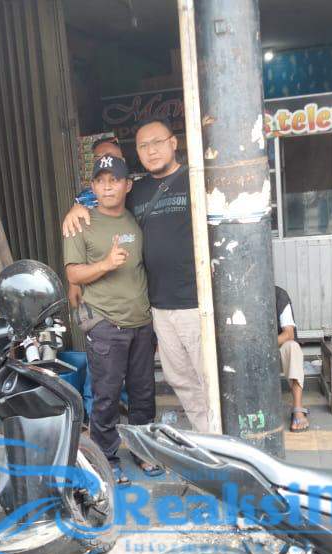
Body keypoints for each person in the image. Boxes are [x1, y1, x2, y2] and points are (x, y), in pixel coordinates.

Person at [63, 120, 211, 433]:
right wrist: (75, 208)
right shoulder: (138, 190)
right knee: (179, 378)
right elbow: (105, 197)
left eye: (157, 142)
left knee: (208, 378)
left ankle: (224, 441)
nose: (151, 150)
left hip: (196, 302)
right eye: (143, 146)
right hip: (157, 306)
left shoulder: (196, 179)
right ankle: (208, 436)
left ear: (173, 143)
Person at [64, 154, 161, 484]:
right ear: (92, 187)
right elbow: (74, 274)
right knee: (106, 397)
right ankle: (106, 458)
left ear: (127, 185)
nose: (107, 187)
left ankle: (143, 451)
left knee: (143, 394)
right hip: (106, 325)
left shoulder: (135, 218)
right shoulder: (80, 223)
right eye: (101, 181)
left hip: (141, 324)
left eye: (114, 180)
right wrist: (106, 263)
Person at [69, 137, 125, 309]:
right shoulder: (84, 199)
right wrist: (74, 284)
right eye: (98, 158)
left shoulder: (134, 191)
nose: (104, 161)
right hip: (97, 284)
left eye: (109, 156)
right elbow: (75, 245)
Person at [275, 286, 308, 431]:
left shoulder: (278, 295)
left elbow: (288, 334)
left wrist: (265, 345)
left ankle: (298, 409)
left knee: (292, 347)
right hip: (248, 352)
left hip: (273, 349)